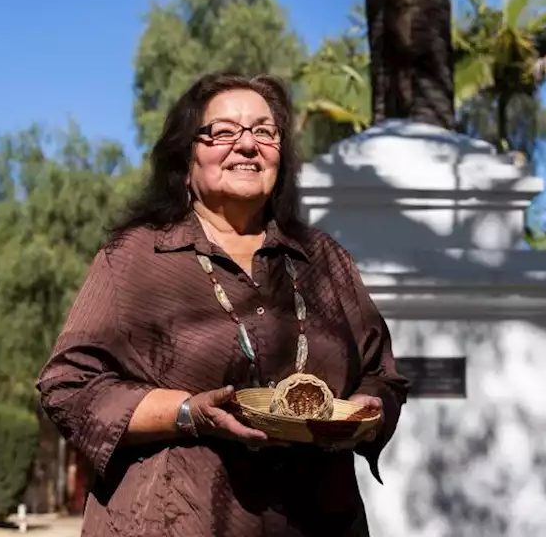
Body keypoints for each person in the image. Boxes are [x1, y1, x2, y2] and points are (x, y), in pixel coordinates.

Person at [36, 73, 410, 536]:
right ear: (186, 157)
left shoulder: (325, 259)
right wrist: (188, 412)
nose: (247, 145)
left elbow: (383, 374)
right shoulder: (134, 258)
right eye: (224, 131)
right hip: (173, 522)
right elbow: (68, 385)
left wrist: (363, 415)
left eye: (264, 131)